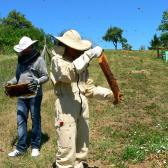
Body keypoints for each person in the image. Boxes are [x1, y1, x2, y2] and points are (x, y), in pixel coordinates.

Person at [50, 29, 113, 168]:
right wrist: (89, 54)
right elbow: (68, 74)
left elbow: (88, 89)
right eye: (76, 48)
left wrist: (110, 94)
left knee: (82, 148)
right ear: (68, 47)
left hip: (82, 106)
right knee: (66, 149)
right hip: (65, 107)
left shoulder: (81, 64)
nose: (80, 51)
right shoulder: (57, 61)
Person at [7, 36, 49, 157]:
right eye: (22, 49)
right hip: (21, 95)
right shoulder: (20, 60)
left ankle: (35, 146)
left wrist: (37, 81)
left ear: (30, 47)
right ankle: (21, 148)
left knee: (35, 120)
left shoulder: (39, 60)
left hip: (35, 95)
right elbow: (18, 77)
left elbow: (46, 76)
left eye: (24, 48)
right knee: (20, 121)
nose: (23, 51)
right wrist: (10, 82)